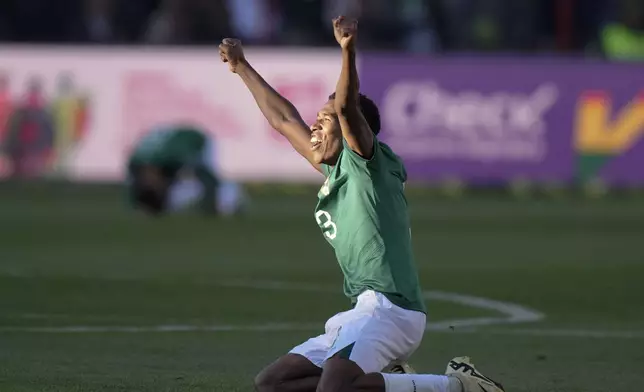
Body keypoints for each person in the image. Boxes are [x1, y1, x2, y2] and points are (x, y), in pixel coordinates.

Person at [219, 16, 505, 392]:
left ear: (353, 130)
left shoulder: (367, 163)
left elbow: (347, 108)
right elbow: (284, 118)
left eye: (325, 120)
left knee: (335, 389)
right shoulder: (336, 168)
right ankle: (389, 380)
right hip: (360, 312)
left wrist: (347, 50)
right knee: (272, 384)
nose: (315, 127)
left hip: (391, 309)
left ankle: (458, 386)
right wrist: (241, 67)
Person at [125, 124, 246, 216]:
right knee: (173, 198)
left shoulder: (177, 155)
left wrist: (210, 205)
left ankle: (232, 195)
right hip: (171, 148)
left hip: (198, 142)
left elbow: (206, 175)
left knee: (188, 192)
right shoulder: (135, 163)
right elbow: (132, 191)